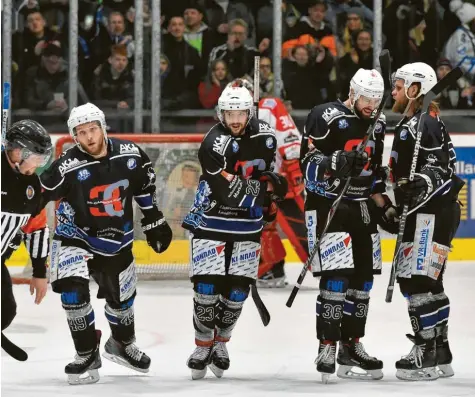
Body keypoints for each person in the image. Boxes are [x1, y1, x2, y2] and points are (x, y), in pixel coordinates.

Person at [39, 103, 173, 385]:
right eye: (81, 132)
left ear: (102, 127)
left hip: (117, 240)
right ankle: (86, 352)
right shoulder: (68, 164)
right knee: (73, 292)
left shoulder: (130, 154)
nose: (88, 137)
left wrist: (154, 219)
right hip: (74, 236)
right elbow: (39, 193)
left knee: (122, 301)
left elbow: (144, 187)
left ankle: (122, 345)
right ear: (74, 136)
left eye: (92, 129)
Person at [182, 86, 287, 380]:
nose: (236, 119)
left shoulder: (266, 136)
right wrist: (263, 191)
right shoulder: (212, 142)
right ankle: (202, 344)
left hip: (247, 225)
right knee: (206, 288)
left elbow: (271, 177)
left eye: (241, 113)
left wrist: (274, 190)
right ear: (221, 114)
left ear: (249, 112)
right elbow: (227, 191)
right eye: (230, 114)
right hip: (211, 221)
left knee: (238, 290)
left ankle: (221, 343)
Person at [301, 68, 388, 382]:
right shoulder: (324, 116)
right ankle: (326, 344)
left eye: (377, 99)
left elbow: (375, 169)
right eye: (367, 97)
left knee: (363, 281)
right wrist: (332, 163)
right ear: (353, 92)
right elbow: (305, 166)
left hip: (362, 205)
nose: (372, 104)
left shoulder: (378, 122)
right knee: (336, 278)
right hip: (330, 204)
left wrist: (384, 204)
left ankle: (351, 346)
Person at [381, 62, 463, 381]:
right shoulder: (421, 120)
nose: (394, 91)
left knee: (415, 281)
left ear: (416, 90)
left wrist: (422, 184)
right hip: (435, 210)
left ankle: (426, 352)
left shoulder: (421, 124)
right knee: (430, 282)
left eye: (400, 86)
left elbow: (438, 168)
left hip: (430, 212)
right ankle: (440, 348)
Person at [227, 78, 307, 288]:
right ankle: (271, 268)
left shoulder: (268, 107)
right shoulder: (230, 119)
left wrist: (293, 167)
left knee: (302, 229)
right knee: (260, 227)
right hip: (254, 185)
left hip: (281, 181)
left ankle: (329, 268)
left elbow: (289, 136)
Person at [1, 120, 52, 358]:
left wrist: (39, 273)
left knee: (5, 312)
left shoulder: (32, 185)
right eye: (37, 157)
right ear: (20, 151)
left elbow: (37, 228)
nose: (40, 164)